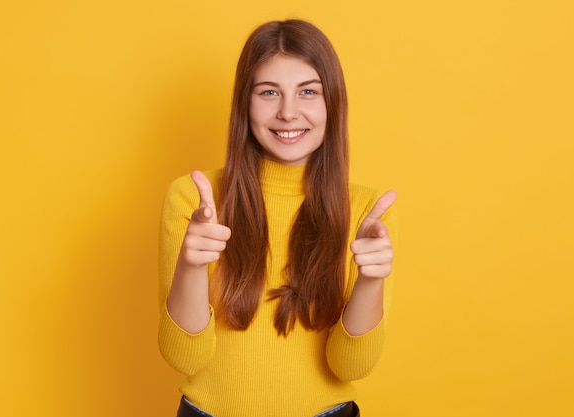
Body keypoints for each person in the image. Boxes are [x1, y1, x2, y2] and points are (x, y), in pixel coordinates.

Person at [158, 19, 398, 417]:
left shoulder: (367, 213)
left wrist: (371, 281)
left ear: (331, 103)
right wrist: (190, 266)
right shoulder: (193, 199)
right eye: (269, 92)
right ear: (244, 104)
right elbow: (185, 359)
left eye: (308, 91)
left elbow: (351, 366)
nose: (288, 112)